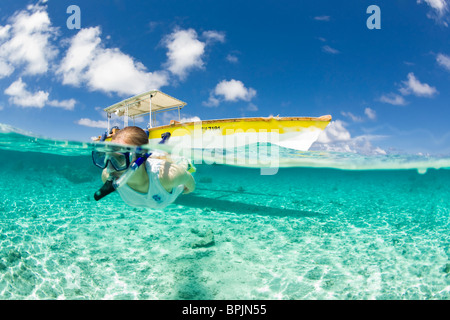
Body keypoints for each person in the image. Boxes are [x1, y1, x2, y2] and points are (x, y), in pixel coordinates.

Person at [95, 126, 195, 209]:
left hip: (160, 167)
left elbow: (188, 178)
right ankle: (164, 140)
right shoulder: (106, 175)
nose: (110, 167)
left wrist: (189, 189)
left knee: (168, 157)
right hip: (145, 160)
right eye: (106, 157)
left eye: (120, 158)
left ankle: (165, 140)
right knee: (156, 153)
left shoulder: (167, 177)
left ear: (139, 159)